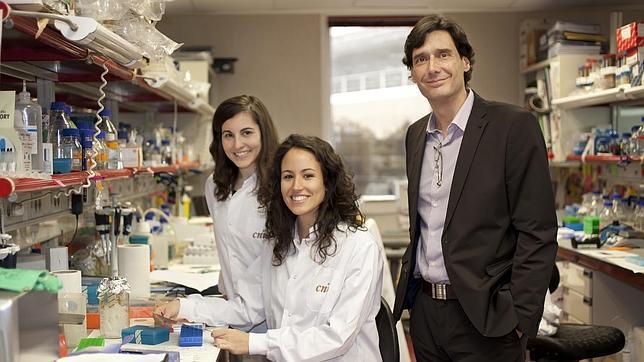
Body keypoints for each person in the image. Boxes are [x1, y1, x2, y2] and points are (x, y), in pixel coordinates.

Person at [392, 15, 558, 361]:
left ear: (465, 62)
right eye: (420, 59)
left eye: (443, 55)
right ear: (412, 74)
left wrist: (519, 318)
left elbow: (537, 230)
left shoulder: (513, 127)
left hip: (488, 320)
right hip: (424, 314)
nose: (432, 67)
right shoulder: (415, 135)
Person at [156, 134, 384, 361]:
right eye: (288, 176)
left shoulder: (358, 247)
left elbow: (337, 337)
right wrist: (184, 307)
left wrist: (254, 342)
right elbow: (247, 309)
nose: (296, 186)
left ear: (328, 181)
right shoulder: (278, 245)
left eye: (308, 176)